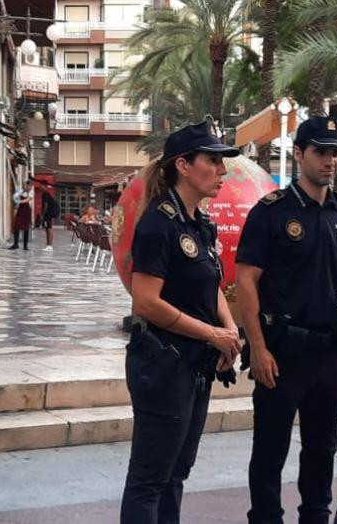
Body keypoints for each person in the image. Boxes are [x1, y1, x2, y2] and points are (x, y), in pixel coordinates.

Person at [236, 116, 337, 524]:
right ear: (299, 153)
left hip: (329, 352)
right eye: (321, 152)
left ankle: (316, 518)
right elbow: (245, 282)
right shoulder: (271, 212)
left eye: (336, 153)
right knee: (270, 450)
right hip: (281, 352)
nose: (330, 161)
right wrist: (257, 347)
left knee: (322, 449)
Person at [121, 120, 242, 524]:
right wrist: (212, 333)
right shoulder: (159, 223)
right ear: (183, 166)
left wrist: (229, 333)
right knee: (150, 478)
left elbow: (214, 287)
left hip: (195, 365)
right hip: (162, 366)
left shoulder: (201, 224)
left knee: (177, 472)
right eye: (214, 161)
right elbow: (146, 302)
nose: (222, 171)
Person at [11, 180, 33, 250]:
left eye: (30, 186)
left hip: (27, 211)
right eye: (27, 185)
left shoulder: (31, 192)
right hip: (20, 210)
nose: (28, 187)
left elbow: (28, 200)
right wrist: (17, 197)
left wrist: (19, 201)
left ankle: (25, 246)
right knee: (16, 226)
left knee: (26, 228)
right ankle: (15, 244)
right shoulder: (21, 191)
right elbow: (14, 196)